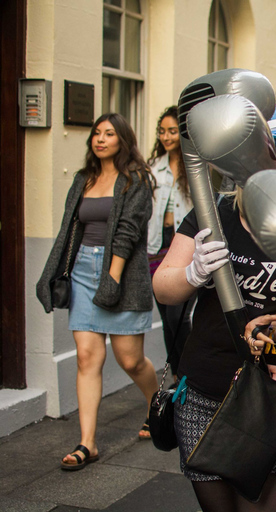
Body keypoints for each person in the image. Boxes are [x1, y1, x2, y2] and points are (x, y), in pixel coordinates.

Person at [152, 106, 276, 512]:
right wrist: (193, 274)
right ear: (247, 157)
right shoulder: (215, 213)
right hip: (207, 393)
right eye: (270, 146)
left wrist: (268, 328)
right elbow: (163, 287)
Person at [36, 113, 157, 470]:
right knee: (88, 357)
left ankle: (156, 404)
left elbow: (128, 231)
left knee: (130, 360)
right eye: (96, 133)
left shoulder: (135, 179)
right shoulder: (83, 178)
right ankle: (87, 443)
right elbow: (68, 229)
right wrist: (57, 270)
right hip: (83, 272)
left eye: (109, 133)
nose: (100, 139)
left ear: (123, 140)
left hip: (121, 272)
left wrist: (113, 279)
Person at [147, 106, 194, 378]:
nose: (166, 137)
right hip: (156, 245)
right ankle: (178, 375)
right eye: (162, 131)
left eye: (173, 131)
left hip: (183, 244)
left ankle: (188, 373)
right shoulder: (153, 168)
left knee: (178, 316)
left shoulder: (196, 166)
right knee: (166, 318)